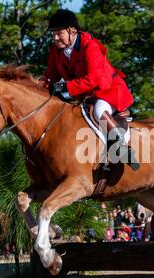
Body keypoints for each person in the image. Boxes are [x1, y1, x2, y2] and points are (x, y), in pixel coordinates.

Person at [39, 9, 139, 170]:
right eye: (53, 34)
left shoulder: (90, 46)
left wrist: (65, 87)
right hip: (85, 95)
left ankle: (122, 148)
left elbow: (93, 79)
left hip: (108, 91)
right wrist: (40, 88)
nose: (55, 38)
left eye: (59, 34)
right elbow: (50, 76)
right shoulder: (55, 51)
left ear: (72, 30)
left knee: (99, 110)